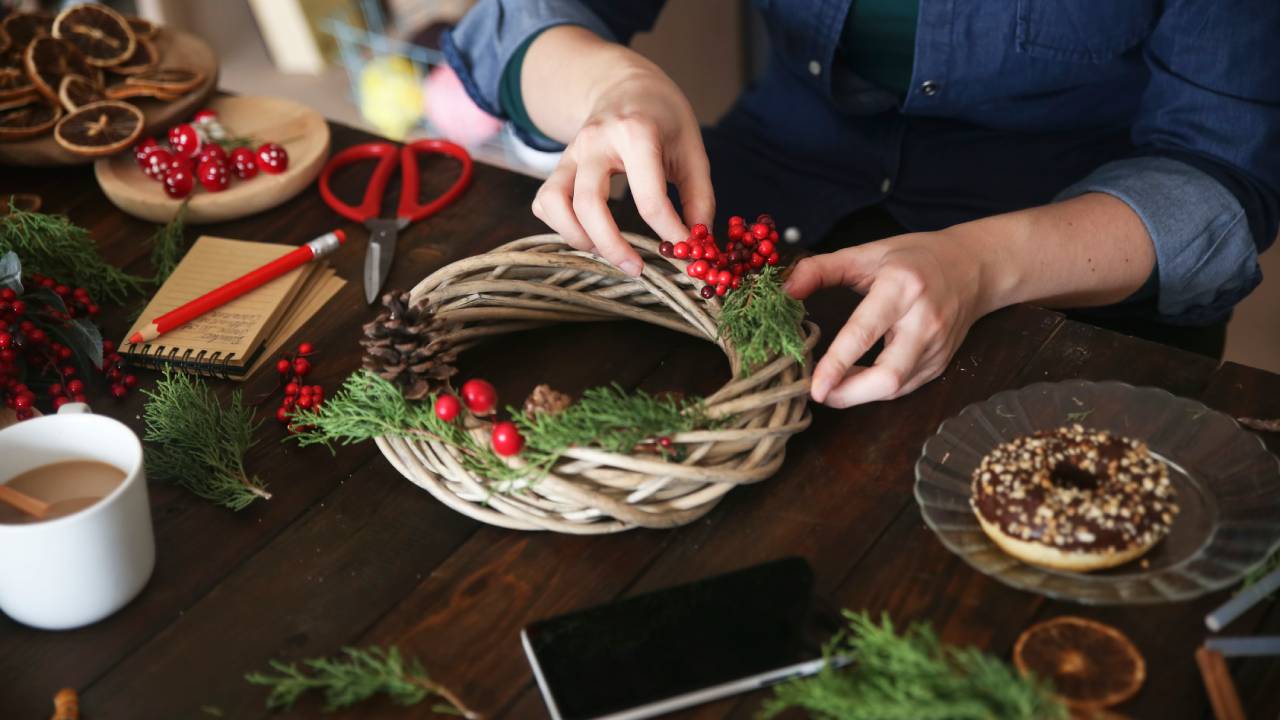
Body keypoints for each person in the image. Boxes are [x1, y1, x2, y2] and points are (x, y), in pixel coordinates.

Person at [443, 1, 1279, 407]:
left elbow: (1217, 174)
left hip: (1069, 263)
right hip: (768, 197)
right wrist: (611, 85)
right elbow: (518, 20)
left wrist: (983, 264)